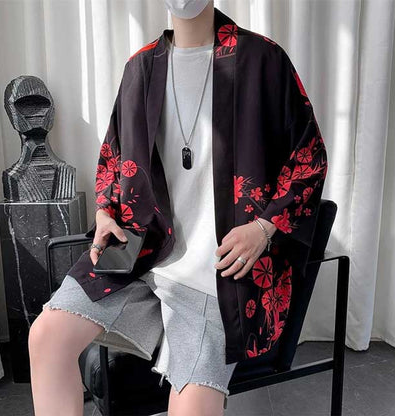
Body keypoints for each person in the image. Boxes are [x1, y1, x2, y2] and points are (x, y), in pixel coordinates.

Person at [29, 1, 327, 415]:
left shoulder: (263, 60)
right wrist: (104, 212)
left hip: (221, 274)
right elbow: (114, 157)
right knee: (46, 337)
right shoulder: (140, 68)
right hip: (142, 256)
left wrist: (263, 227)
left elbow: (309, 159)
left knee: (192, 407)